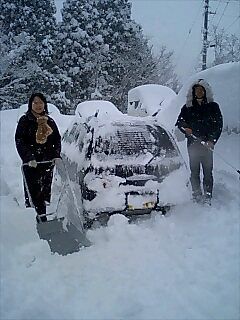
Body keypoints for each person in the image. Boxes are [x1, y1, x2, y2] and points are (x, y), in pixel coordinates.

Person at [15, 93, 61, 222]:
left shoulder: (49, 121)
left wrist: (56, 155)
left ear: (44, 104)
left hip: (46, 162)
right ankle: (33, 220)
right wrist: (28, 157)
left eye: (40, 102)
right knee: (33, 194)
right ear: (31, 105)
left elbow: (57, 139)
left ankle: (43, 218)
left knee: (45, 194)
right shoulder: (25, 121)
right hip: (31, 164)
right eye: (35, 103)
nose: (38, 105)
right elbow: (20, 141)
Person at [175, 79, 223, 205]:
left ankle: (208, 195)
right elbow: (179, 122)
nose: (199, 92)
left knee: (208, 171)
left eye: (202, 90)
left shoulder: (213, 107)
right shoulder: (187, 108)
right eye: (197, 90)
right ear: (193, 92)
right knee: (194, 171)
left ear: (206, 92)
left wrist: (212, 140)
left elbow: (218, 125)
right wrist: (186, 128)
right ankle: (196, 194)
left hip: (207, 146)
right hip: (193, 146)